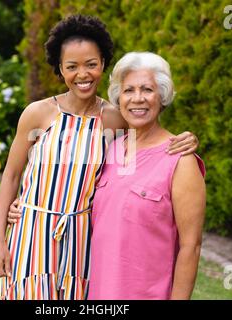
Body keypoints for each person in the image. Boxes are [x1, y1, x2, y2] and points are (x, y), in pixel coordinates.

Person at [0, 15, 198, 300]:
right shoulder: (37, 114)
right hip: (32, 234)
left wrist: (186, 138)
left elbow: (151, 136)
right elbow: (11, 175)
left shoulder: (114, 119)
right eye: (71, 66)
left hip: (81, 240)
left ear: (102, 63)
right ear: (60, 69)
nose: (83, 74)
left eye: (91, 64)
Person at [88, 52, 206, 300]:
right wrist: (20, 207)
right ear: (118, 98)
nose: (137, 99)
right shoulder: (109, 149)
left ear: (161, 97)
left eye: (147, 90)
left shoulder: (180, 159)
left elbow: (191, 247)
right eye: (129, 90)